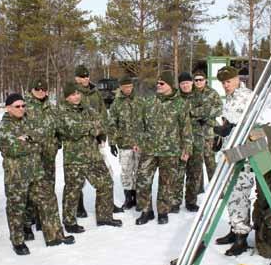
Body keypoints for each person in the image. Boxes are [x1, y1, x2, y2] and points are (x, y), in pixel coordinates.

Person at [0, 93, 74, 255]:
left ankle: (54, 235)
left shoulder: (27, 121)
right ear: (8, 108)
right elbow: (12, 148)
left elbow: (42, 137)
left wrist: (27, 139)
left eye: (23, 106)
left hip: (36, 172)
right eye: (17, 106)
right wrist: (31, 143)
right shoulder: (5, 126)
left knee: (48, 200)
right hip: (17, 176)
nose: (21, 109)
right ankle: (18, 241)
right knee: (17, 208)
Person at [57, 82, 122, 233]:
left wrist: (90, 127)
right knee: (73, 191)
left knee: (106, 183)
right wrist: (92, 127)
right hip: (75, 159)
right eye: (72, 94)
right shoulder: (61, 112)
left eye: (77, 93)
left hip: (93, 156)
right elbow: (72, 130)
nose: (76, 96)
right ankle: (69, 222)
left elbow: (101, 123)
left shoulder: (87, 109)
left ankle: (104, 216)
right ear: (67, 97)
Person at [135, 71, 192, 225]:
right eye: (158, 83)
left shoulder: (180, 103)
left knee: (167, 183)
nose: (158, 85)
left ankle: (162, 211)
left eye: (162, 83)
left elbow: (186, 128)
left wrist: (187, 148)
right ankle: (146, 211)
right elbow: (140, 123)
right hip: (150, 149)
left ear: (170, 85)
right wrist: (138, 141)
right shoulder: (149, 101)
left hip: (170, 150)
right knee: (142, 179)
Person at [213, 66, 255, 256]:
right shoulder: (230, 98)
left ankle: (241, 237)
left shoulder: (245, 95)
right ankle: (234, 228)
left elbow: (239, 122)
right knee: (231, 193)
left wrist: (228, 126)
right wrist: (220, 135)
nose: (225, 85)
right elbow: (226, 123)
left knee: (240, 193)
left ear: (237, 79)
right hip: (230, 153)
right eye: (223, 83)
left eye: (228, 81)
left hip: (245, 152)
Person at [74, 64, 123, 215]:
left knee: (106, 171)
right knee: (78, 175)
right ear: (76, 78)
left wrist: (103, 133)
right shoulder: (73, 93)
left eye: (87, 75)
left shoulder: (95, 93)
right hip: (79, 142)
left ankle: (107, 203)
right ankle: (78, 206)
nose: (85, 78)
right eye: (82, 76)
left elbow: (103, 113)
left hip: (97, 140)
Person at [23, 78, 60, 239]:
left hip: (49, 156)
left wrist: (56, 143)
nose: (41, 92)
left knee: (48, 188)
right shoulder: (24, 106)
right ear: (32, 90)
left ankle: (42, 219)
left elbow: (57, 127)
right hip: (32, 156)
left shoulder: (50, 107)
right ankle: (26, 223)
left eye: (44, 89)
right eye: (38, 89)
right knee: (31, 190)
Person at [108, 75, 144, 209]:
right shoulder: (116, 104)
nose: (127, 89)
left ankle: (139, 197)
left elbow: (148, 121)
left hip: (140, 143)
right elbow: (112, 124)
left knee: (140, 171)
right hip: (124, 144)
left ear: (132, 86)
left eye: (129, 86)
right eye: (124, 87)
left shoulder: (141, 101)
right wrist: (112, 142)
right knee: (126, 172)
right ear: (120, 88)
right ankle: (129, 198)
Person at [174, 72, 201, 212]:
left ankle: (191, 201)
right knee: (178, 172)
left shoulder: (199, 96)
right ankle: (175, 201)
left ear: (192, 83)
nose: (185, 85)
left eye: (187, 83)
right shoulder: (175, 99)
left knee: (194, 173)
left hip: (197, 141)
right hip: (180, 141)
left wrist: (194, 113)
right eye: (182, 83)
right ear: (179, 85)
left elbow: (210, 110)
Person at [192, 70, 222, 190]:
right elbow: (188, 112)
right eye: (196, 80)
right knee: (197, 163)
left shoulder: (212, 93)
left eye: (201, 79)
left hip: (209, 132)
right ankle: (198, 190)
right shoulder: (190, 93)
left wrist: (203, 113)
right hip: (195, 133)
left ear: (205, 80)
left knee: (210, 161)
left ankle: (216, 188)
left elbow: (219, 108)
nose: (198, 82)